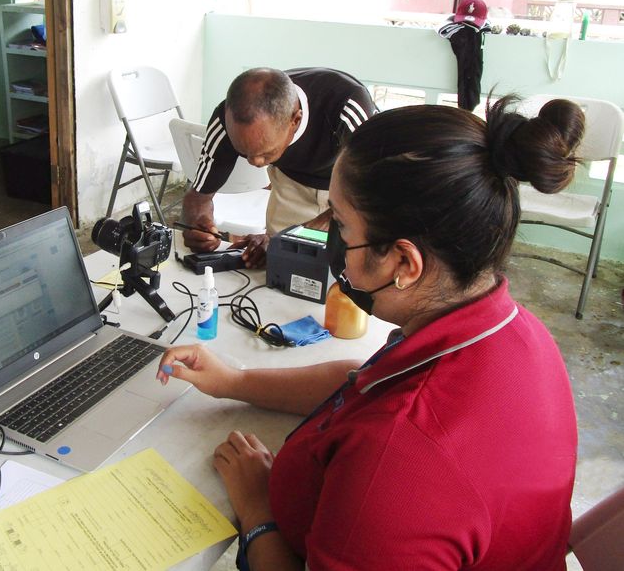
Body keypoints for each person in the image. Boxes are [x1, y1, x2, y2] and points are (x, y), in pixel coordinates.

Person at [158, 96, 583, 570]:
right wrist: (234, 382)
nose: (330, 240)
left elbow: (398, 432)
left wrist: (258, 510)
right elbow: (365, 380)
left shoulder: (397, 462)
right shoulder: (510, 330)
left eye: (340, 223)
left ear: (403, 263)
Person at [182, 67, 376, 268]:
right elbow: (198, 198)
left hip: (350, 190)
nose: (255, 163)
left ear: (295, 120)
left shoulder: (348, 106)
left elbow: (370, 196)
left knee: (348, 272)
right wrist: (198, 227)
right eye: (244, 152)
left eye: (266, 153)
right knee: (281, 270)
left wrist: (301, 234)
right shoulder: (227, 120)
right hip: (291, 183)